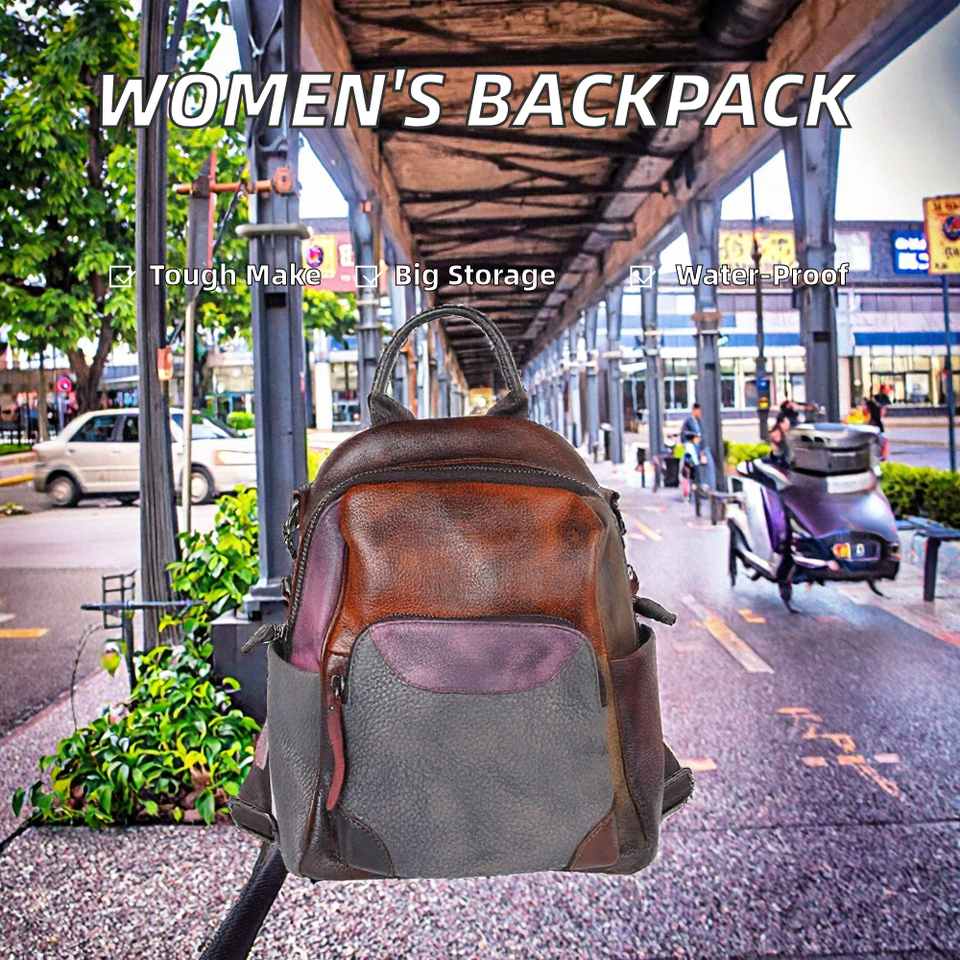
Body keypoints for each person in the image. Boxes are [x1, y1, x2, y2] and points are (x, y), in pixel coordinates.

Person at [678, 403, 702, 500]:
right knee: (692, 465)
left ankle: (694, 486)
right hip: (690, 449)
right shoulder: (689, 421)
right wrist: (694, 438)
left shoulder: (698, 421)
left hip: (694, 449)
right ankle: (694, 486)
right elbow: (685, 436)